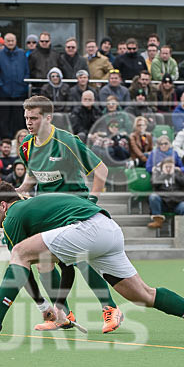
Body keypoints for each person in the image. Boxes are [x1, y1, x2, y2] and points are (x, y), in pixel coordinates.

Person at [0, 182, 184, 342]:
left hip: (86, 229)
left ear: (4, 205)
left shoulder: (14, 214)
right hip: (108, 230)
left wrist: (43, 306)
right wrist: (58, 306)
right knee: (143, 295)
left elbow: (21, 263)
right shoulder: (35, 212)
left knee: (19, 253)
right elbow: (68, 266)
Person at [16, 96, 123, 333]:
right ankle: (62, 314)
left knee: (81, 260)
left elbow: (101, 169)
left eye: (33, 118)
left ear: (48, 118)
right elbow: (33, 176)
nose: (29, 122)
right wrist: (20, 190)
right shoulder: (26, 145)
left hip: (74, 209)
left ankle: (110, 309)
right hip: (47, 212)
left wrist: (92, 200)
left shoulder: (66, 142)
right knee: (44, 261)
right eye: (26, 118)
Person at [0, 33, 29, 138]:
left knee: (18, 118)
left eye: (12, 40)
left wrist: (24, 84)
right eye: (8, 41)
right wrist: (1, 84)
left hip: (20, 92)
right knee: (3, 119)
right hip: (3, 92)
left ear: (16, 41)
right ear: (4, 42)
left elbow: (27, 70)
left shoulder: (22, 53)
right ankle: (5, 140)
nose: (11, 43)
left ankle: (17, 140)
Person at [147, 157, 184, 228]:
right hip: (163, 202)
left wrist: (174, 175)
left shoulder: (178, 173)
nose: (168, 169)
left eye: (170, 167)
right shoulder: (157, 173)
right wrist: (164, 175)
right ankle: (158, 220)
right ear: (162, 167)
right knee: (153, 197)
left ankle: (179, 226)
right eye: (166, 167)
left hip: (177, 202)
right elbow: (153, 184)